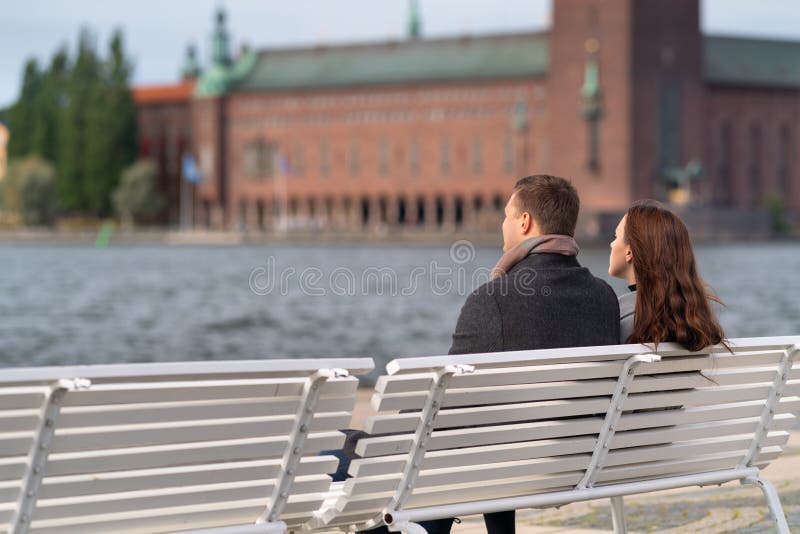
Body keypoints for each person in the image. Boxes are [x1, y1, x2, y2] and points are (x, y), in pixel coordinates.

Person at [437, 174, 620, 534]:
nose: (503, 224)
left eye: (507, 215)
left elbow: (444, 405)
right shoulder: (603, 299)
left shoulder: (493, 299)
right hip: (574, 464)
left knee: (343, 459)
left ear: (524, 222)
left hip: (500, 466)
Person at [609, 199, 726, 349]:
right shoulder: (695, 319)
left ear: (629, 252)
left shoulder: (616, 315)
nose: (611, 244)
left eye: (616, 237)